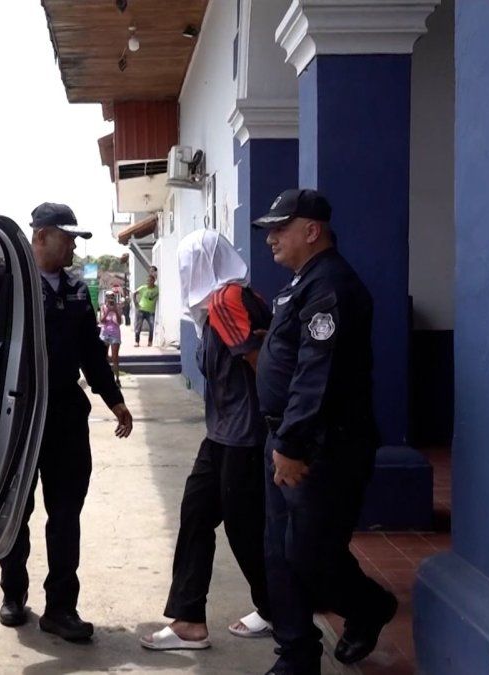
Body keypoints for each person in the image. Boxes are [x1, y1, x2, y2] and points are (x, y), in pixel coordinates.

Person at [252, 189, 397, 675]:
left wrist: (292, 443)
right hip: (286, 441)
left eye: (280, 228)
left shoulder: (329, 285)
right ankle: (296, 656)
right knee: (277, 553)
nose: (271, 237)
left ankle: (369, 606)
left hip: (321, 446)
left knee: (310, 555)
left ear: (311, 230)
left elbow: (320, 371)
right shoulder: (301, 283)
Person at [0, 202, 135, 642]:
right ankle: (13, 594)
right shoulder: (12, 285)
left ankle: (61, 607)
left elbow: (92, 353)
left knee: (66, 515)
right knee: (17, 511)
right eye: (67, 236)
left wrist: (113, 399)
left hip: (65, 417)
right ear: (40, 237)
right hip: (20, 414)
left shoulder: (76, 288)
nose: (74, 244)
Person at [140, 230, 273, 652]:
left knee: (245, 529)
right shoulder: (215, 307)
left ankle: (280, 609)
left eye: (188, 265)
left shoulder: (229, 301)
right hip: (221, 435)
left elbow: (263, 369)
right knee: (197, 513)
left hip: (244, 438)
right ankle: (189, 621)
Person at [99, 291, 123, 386]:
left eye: (112, 297)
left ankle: (117, 379)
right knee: (103, 357)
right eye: (108, 297)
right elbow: (101, 321)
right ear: (106, 298)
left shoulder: (118, 307)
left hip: (115, 334)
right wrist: (108, 311)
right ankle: (105, 378)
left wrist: (115, 311)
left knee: (115, 357)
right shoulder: (103, 307)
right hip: (105, 333)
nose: (110, 299)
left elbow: (120, 322)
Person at [134, 273, 159, 346]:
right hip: (141, 310)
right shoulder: (143, 288)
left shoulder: (157, 289)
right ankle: (137, 341)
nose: (148, 282)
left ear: (153, 281)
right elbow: (134, 293)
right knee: (138, 326)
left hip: (151, 311)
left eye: (150, 281)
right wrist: (135, 302)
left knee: (152, 326)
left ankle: (150, 342)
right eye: (148, 281)